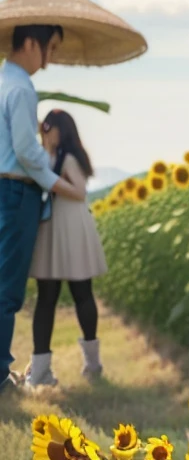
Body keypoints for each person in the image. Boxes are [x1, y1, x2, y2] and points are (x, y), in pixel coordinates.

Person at [0, 24, 86, 394]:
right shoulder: (20, 88)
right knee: (7, 290)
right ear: (30, 43)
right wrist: (60, 185)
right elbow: (25, 151)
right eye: (49, 49)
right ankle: (1, 375)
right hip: (17, 192)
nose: (49, 61)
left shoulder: (4, 82)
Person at [23, 108, 108, 388]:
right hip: (54, 228)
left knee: (81, 292)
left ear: (61, 129)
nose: (45, 131)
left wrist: (51, 177)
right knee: (47, 297)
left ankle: (92, 363)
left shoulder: (68, 158)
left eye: (49, 127)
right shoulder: (52, 155)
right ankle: (40, 369)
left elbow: (80, 191)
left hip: (69, 227)